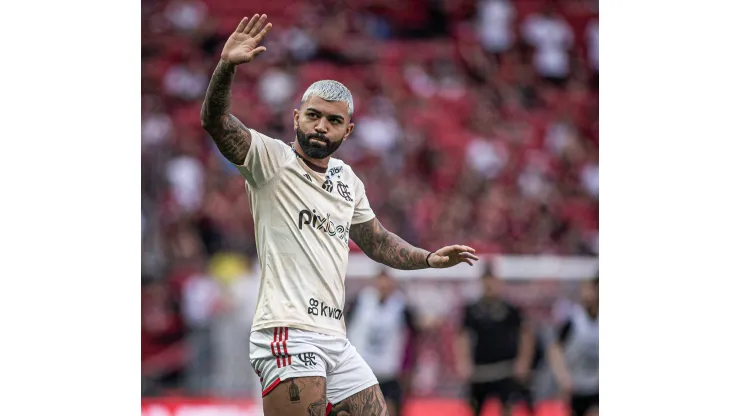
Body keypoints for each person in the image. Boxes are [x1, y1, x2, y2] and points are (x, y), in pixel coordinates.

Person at [199, 14, 480, 416]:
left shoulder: (348, 180)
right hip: (288, 331)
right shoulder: (271, 160)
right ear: (296, 117)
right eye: (313, 115)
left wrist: (427, 258)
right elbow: (216, 122)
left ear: (347, 131)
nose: (320, 127)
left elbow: (376, 240)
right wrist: (226, 67)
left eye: (333, 121)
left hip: (334, 338)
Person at [456, 270, 535, 416]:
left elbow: (526, 334)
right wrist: (463, 362)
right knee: (475, 408)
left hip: (505, 369)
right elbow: (463, 336)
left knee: (508, 407)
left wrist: (523, 361)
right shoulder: (473, 310)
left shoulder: (510, 309)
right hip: (480, 371)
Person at [346, 270, 419, 416]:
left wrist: (408, 369)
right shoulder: (359, 301)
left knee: (390, 409)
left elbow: (412, 336)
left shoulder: (401, 306)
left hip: (389, 372)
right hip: (361, 371)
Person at [547, 277, 599, 416]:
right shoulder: (573, 320)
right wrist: (563, 376)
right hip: (576, 386)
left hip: (595, 387)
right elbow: (554, 349)